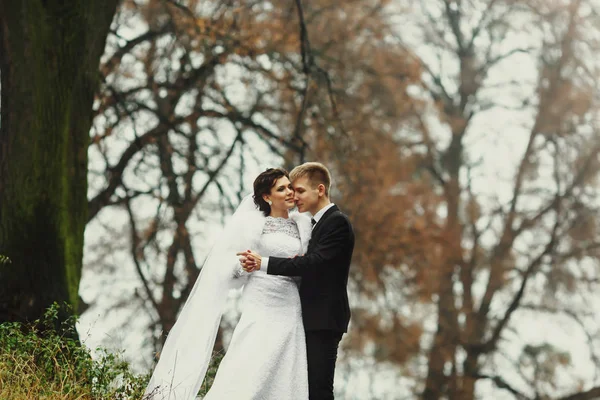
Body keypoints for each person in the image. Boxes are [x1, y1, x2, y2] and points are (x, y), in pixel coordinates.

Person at [144, 168, 312, 400]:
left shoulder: (303, 227)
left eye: (290, 187)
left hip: (291, 305)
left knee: (286, 370)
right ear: (267, 196)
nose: (289, 192)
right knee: (250, 368)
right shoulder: (254, 226)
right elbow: (229, 269)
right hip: (262, 303)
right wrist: (244, 264)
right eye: (281, 188)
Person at [239, 162, 355, 400]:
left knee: (319, 389)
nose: (294, 196)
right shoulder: (312, 225)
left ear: (320, 190)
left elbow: (314, 263)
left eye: (300, 190)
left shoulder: (337, 223)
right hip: (303, 316)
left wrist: (264, 263)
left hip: (324, 319)